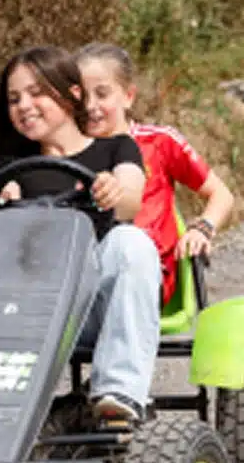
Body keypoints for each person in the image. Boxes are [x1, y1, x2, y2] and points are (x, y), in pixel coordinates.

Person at [0, 46, 161, 446]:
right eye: (14, 99)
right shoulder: (13, 167)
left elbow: (131, 197)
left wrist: (113, 192)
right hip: (29, 312)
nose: (24, 106)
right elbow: (5, 210)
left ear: (72, 93)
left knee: (130, 241)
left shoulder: (114, 150)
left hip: (91, 308)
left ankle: (119, 392)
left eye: (36, 92)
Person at [74, 42, 235, 306]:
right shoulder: (65, 148)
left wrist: (202, 229)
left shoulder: (158, 142)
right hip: (82, 273)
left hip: (147, 274)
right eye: (81, 97)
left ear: (128, 96)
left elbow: (221, 194)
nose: (91, 106)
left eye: (102, 94)